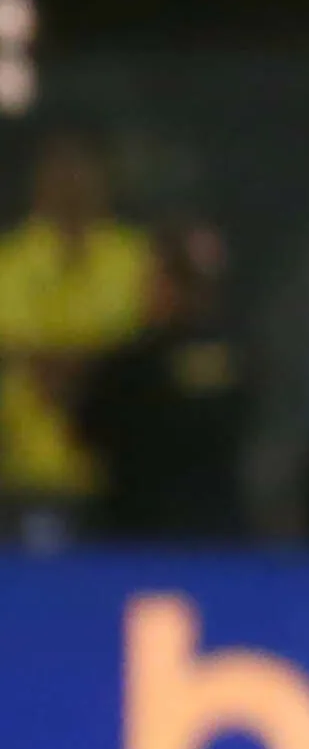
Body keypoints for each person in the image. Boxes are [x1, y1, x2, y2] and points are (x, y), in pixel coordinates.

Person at [0, 131, 157, 545]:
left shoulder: (140, 260)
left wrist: (74, 365)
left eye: (82, 166)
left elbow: (148, 355)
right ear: (37, 179)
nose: (71, 180)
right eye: (59, 167)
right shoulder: (7, 262)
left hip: (122, 478)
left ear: (106, 177)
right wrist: (92, 363)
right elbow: (24, 357)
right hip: (27, 476)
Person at [80, 222, 252, 541]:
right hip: (136, 526)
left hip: (205, 529)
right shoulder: (129, 361)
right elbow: (91, 428)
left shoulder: (234, 356)